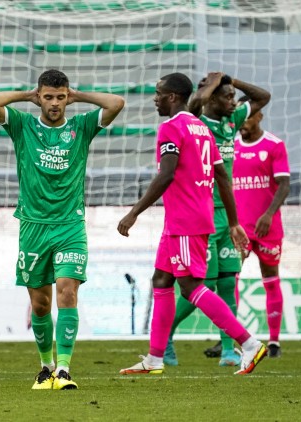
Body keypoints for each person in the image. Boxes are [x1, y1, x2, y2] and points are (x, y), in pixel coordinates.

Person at [0, 69, 125, 390]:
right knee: (40, 305)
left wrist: (79, 96)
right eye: (48, 97)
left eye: (61, 97)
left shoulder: (81, 127)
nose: (55, 103)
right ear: (40, 97)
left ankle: (64, 369)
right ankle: (45, 366)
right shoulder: (23, 126)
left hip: (70, 225)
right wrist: (26, 96)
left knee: (68, 290)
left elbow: (116, 102)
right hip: (33, 227)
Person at [117, 72, 267, 376]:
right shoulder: (201, 128)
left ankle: (248, 343)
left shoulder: (171, 127)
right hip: (184, 220)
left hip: (186, 220)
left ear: (172, 96)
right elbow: (222, 175)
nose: (155, 99)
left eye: (159, 93)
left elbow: (167, 173)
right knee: (161, 280)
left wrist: (134, 212)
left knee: (191, 287)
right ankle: (155, 358)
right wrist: (234, 222)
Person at [164, 72, 271, 367]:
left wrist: (232, 81)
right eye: (227, 97)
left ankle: (228, 350)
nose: (234, 102)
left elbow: (263, 97)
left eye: (233, 97)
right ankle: (165, 336)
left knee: (227, 282)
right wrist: (211, 86)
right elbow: (195, 102)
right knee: (203, 285)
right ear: (211, 97)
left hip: (226, 214)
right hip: (201, 214)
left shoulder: (231, 120)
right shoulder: (196, 122)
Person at [233, 97, 290, 358]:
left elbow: (284, 184)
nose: (243, 121)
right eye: (239, 115)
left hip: (268, 227)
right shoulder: (230, 146)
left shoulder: (274, 145)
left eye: (248, 115)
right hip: (239, 229)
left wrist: (268, 214)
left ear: (259, 117)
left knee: (270, 280)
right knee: (230, 279)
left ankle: (275, 341)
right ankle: (231, 339)